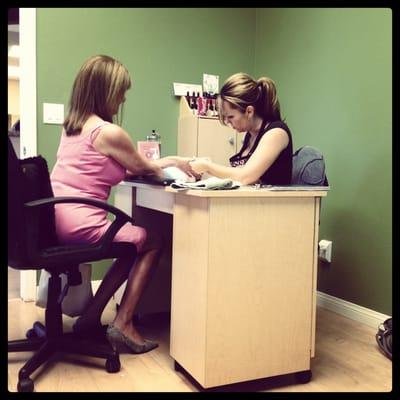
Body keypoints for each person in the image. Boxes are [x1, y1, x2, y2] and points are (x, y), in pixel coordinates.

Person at [50, 55, 196, 354]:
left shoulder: (73, 127)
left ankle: (91, 318)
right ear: (105, 91)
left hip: (54, 217)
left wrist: (168, 161)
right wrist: (178, 165)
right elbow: (147, 167)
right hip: (80, 222)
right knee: (151, 240)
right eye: (121, 91)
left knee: (131, 242)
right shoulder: (108, 132)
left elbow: (128, 166)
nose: (123, 97)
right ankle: (124, 323)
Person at [189, 73, 293, 185]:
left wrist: (207, 167)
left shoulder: (276, 133)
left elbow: (245, 177)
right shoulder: (251, 135)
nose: (228, 122)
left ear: (249, 111)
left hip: (275, 202)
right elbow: (240, 172)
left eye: (231, 117)